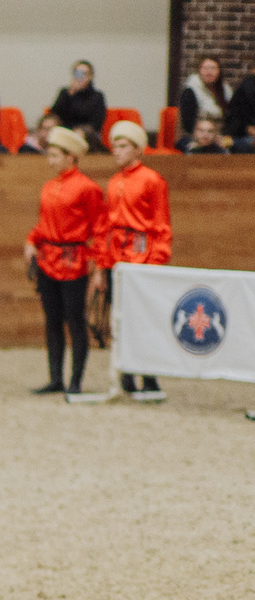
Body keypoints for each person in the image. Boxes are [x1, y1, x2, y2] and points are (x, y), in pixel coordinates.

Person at [24, 124, 104, 397]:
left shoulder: (88, 188)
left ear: (71, 156)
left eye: (56, 155)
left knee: (75, 319)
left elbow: (100, 228)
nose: (51, 160)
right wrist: (31, 241)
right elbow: (43, 222)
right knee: (52, 319)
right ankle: (55, 377)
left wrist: (97, 262)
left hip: (73, 261)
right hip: (48, 259)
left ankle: (76, 380)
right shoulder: (49, 186)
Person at [97, 119, 171, 400]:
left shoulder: (152, 180)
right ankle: (127, 371)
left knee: (144, 319)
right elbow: (106, 226)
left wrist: (156, 261)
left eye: (123, 146)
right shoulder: (114, 181)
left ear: (138, 149)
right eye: (114, 145)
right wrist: (104, 263)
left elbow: (161, 223)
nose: (116, 150)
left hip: (141, 257)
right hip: (118, 258)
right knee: (120, 316)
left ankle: (149, 377)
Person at [47, 61, 108, 153]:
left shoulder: (97, 96)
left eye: (84, 74)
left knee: (79, 134)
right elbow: (55, 114)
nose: (80, 77)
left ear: (90, 76)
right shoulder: (65, 93)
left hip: (87, 134)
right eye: (77, 73)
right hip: (65, 132)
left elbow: (97, 122)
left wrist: (82, 131)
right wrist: (70, 95)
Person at [177, 55, 229, 134]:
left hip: (220, 136)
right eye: (205, 69)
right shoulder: (191, 91)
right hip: (196, 136)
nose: (209, 72)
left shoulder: (225, 90)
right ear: (199, 71)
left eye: (213, 69)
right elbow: (188, 124)